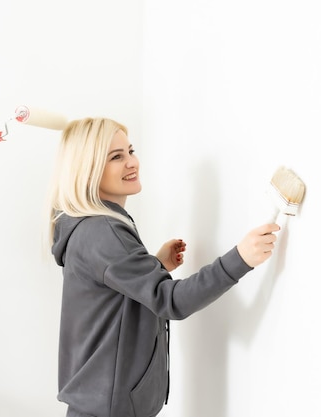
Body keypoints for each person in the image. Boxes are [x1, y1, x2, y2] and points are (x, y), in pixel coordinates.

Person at [48, 117, 280, 417]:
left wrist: (154, 264)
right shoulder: (101, 230)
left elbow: (111, 290)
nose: (132, 162)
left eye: (130, 151)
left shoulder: (91, 227)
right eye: (116, 157)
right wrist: (241, 259)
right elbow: (171, 301)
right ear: (88, 170)